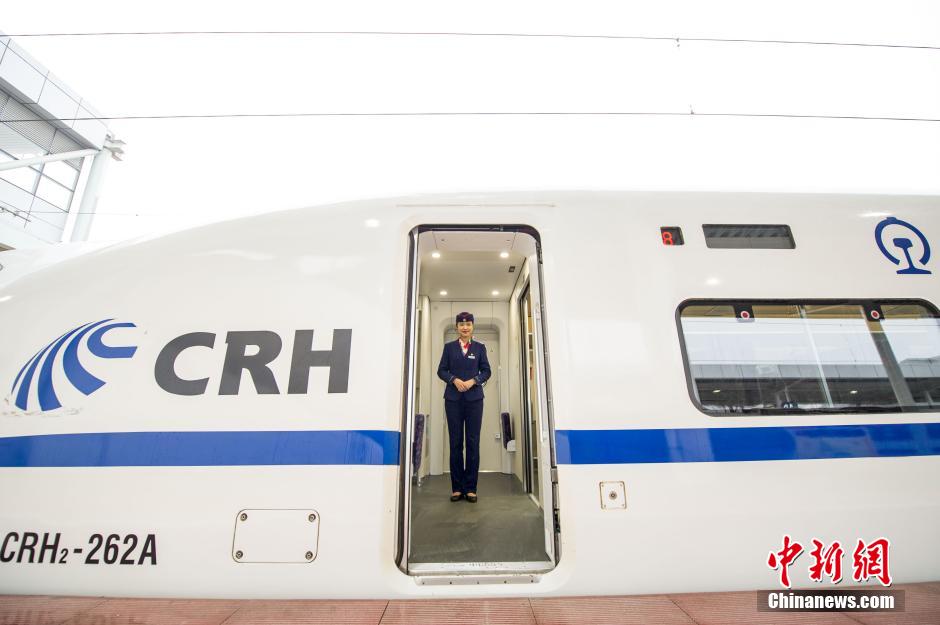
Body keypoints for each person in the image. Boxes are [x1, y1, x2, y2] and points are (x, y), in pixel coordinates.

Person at [437, 312, 491, 503]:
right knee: (456, 443)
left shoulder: (480, 348)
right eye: (461, 324)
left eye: (468, 324)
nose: (465, 327)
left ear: (472, 326)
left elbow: (486, 371)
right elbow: (441, 370)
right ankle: (457, 488)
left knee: (472, 443)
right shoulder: (449, 348)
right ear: (457, 327)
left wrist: (473, 381)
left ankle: (471, 488)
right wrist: (454, 379)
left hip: (474, 400)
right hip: (452, 400)